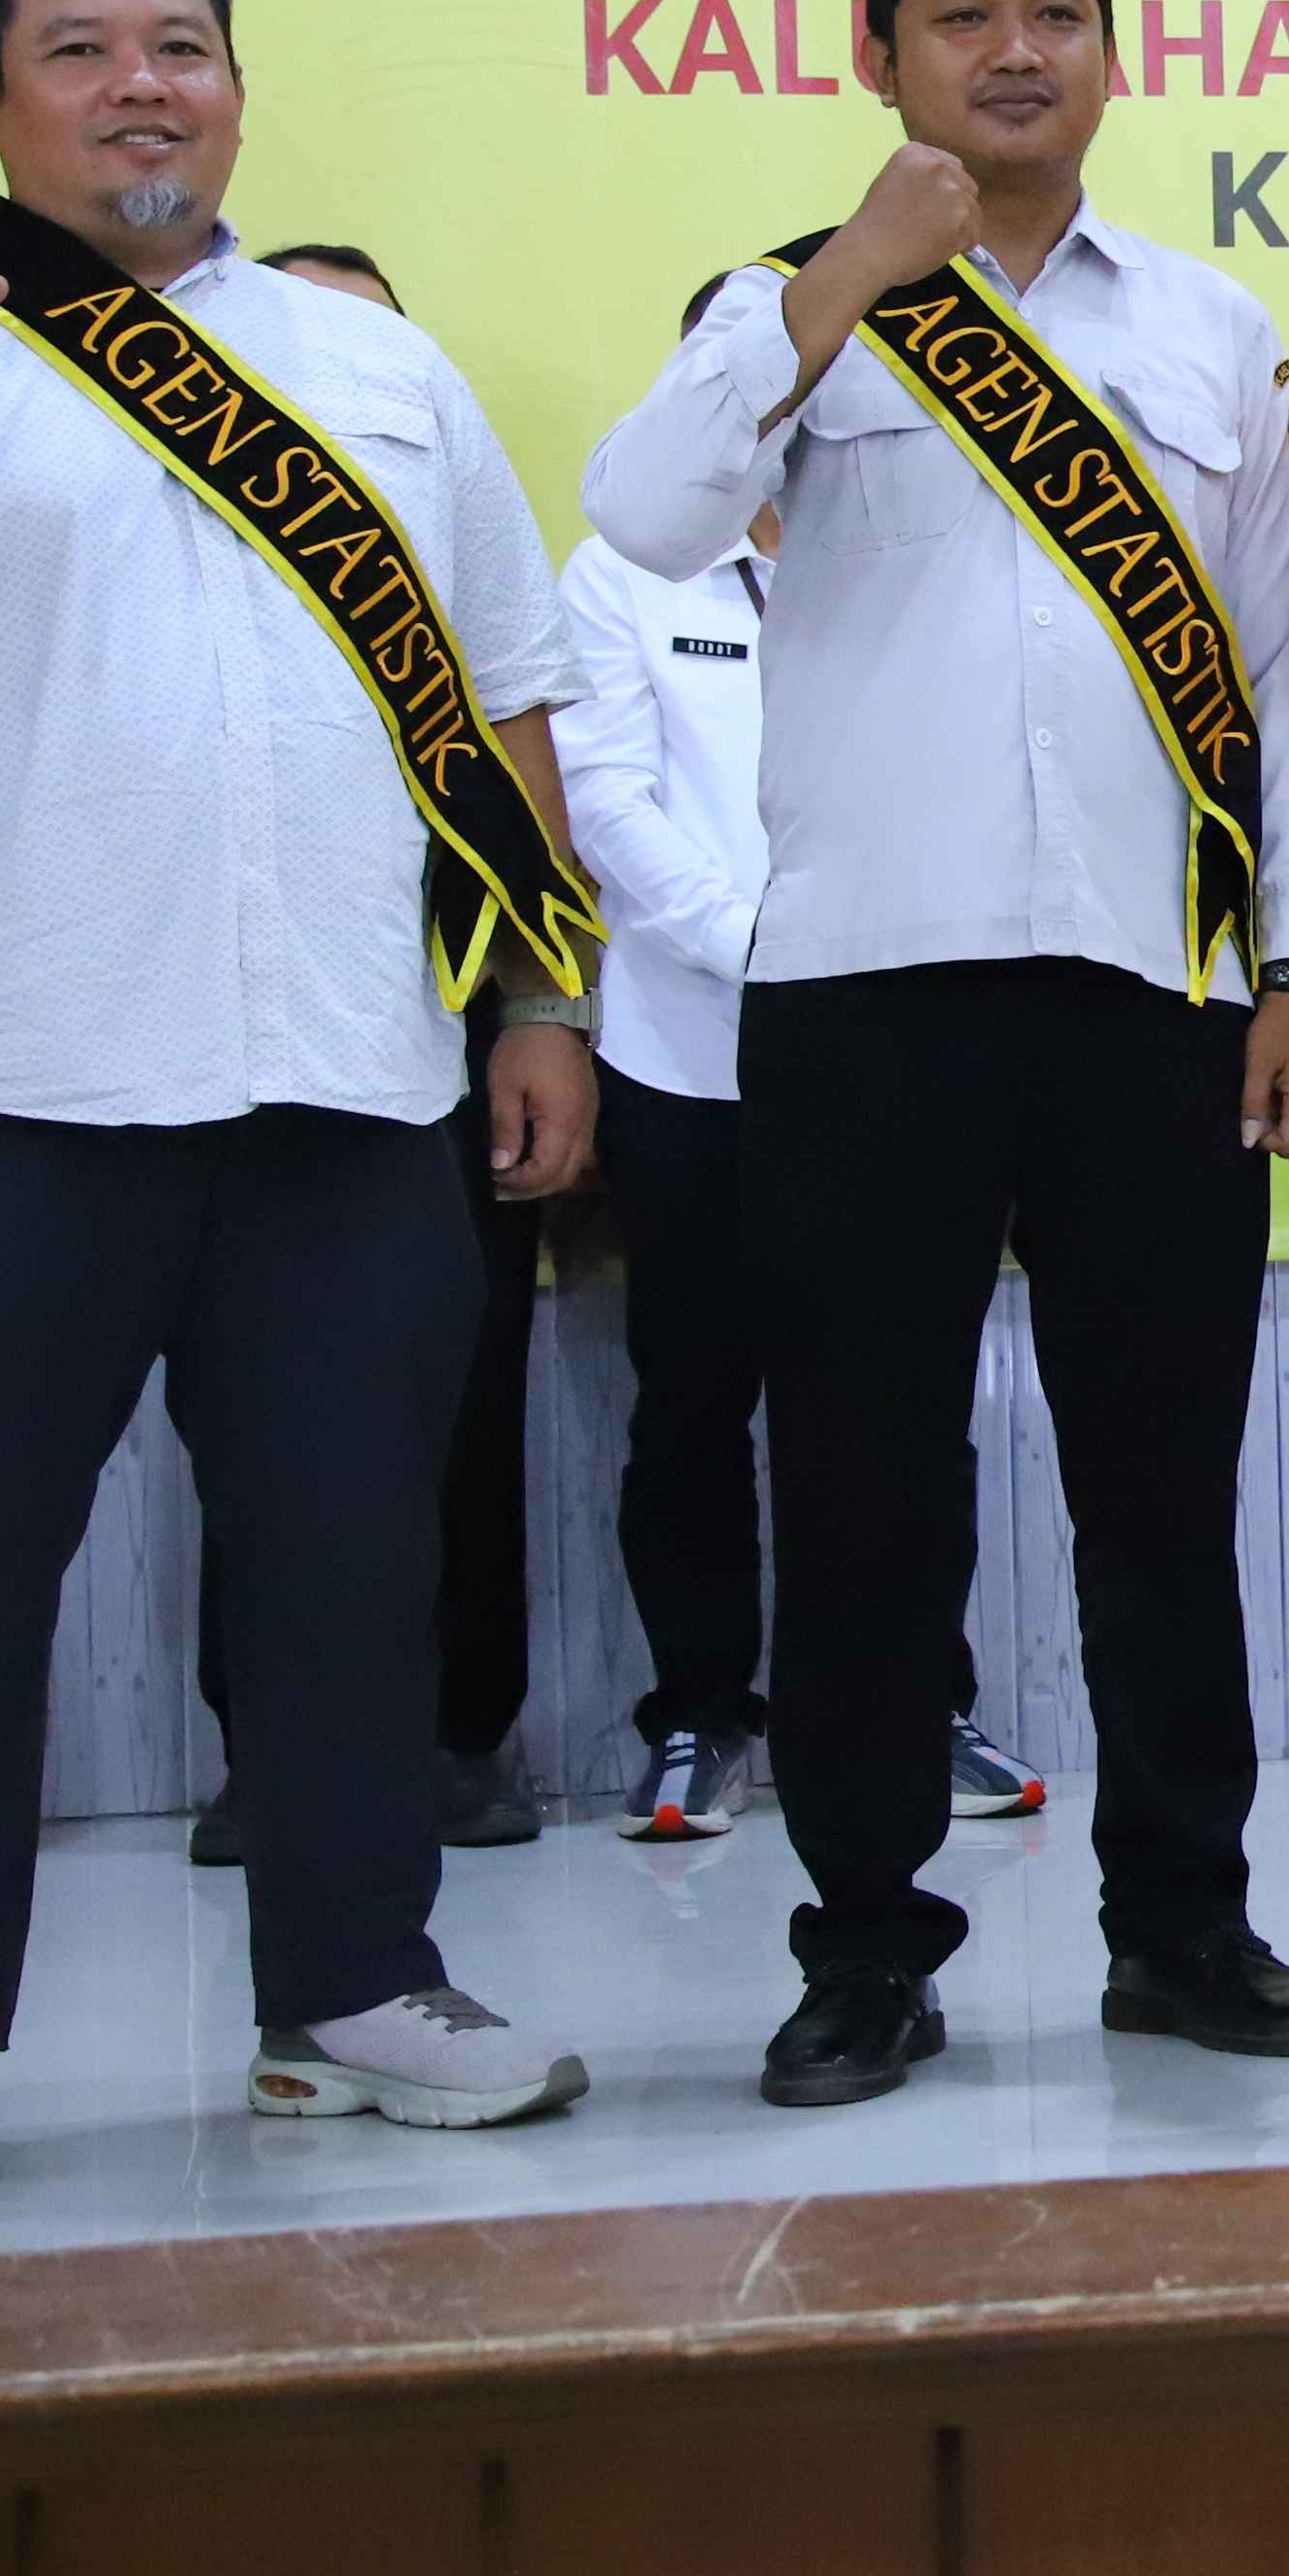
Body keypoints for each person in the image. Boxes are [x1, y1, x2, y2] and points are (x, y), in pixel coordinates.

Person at [0, 0, 595, 2206]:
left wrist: (540, 991)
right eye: (79, 50)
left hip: (342, 1081)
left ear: (236, 86)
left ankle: (354, 1985)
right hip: (6, 1084)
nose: (140, 86)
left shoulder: (371, 364)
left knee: (347, 1565)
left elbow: (503, 693)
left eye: (179, 42)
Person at [588, 0, 1289, 2101]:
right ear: (881, 53)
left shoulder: (1209, 327)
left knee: (1162, 1494)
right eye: (962, 13)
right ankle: (863, 1944)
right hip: (867, 992)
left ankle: (1185, 1924)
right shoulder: (797, 305)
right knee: (863, 1494)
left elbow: (1286, 675)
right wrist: (843, 277)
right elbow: (643, 516)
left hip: (1154, 991)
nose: (1015, 48)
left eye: (1054, 9)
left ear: (1114, 48)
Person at [222, 236, 548, 1855]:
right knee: (249, 1423)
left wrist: (544, 1009)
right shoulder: (197, 553)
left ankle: (461, 1736)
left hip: (441, 1003)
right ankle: (261, 1753)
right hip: (218, 1016)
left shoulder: (452, 539)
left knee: (458, 1390)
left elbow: (527, 751)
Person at [556, 277, 805, 1835]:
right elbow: (607, 802)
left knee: (892, 1405)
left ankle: (920, 1704)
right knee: (695, 1402)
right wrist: (762, 949)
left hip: (882, 1056)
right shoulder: (621, 567)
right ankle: (702, 1716)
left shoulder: (899, 548)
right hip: (689, 1056)